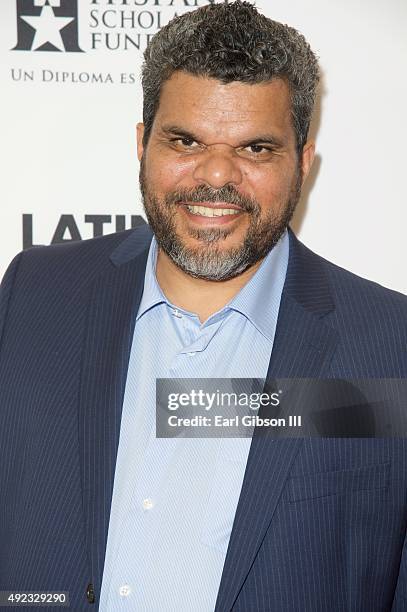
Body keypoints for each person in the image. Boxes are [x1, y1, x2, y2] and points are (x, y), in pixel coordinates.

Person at [0, 1, 406, 610]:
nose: (216, 176)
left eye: (257, 149)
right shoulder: (37, 293)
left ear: (304, 162)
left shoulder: (387, 344)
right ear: (143, 144)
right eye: (185, 140)